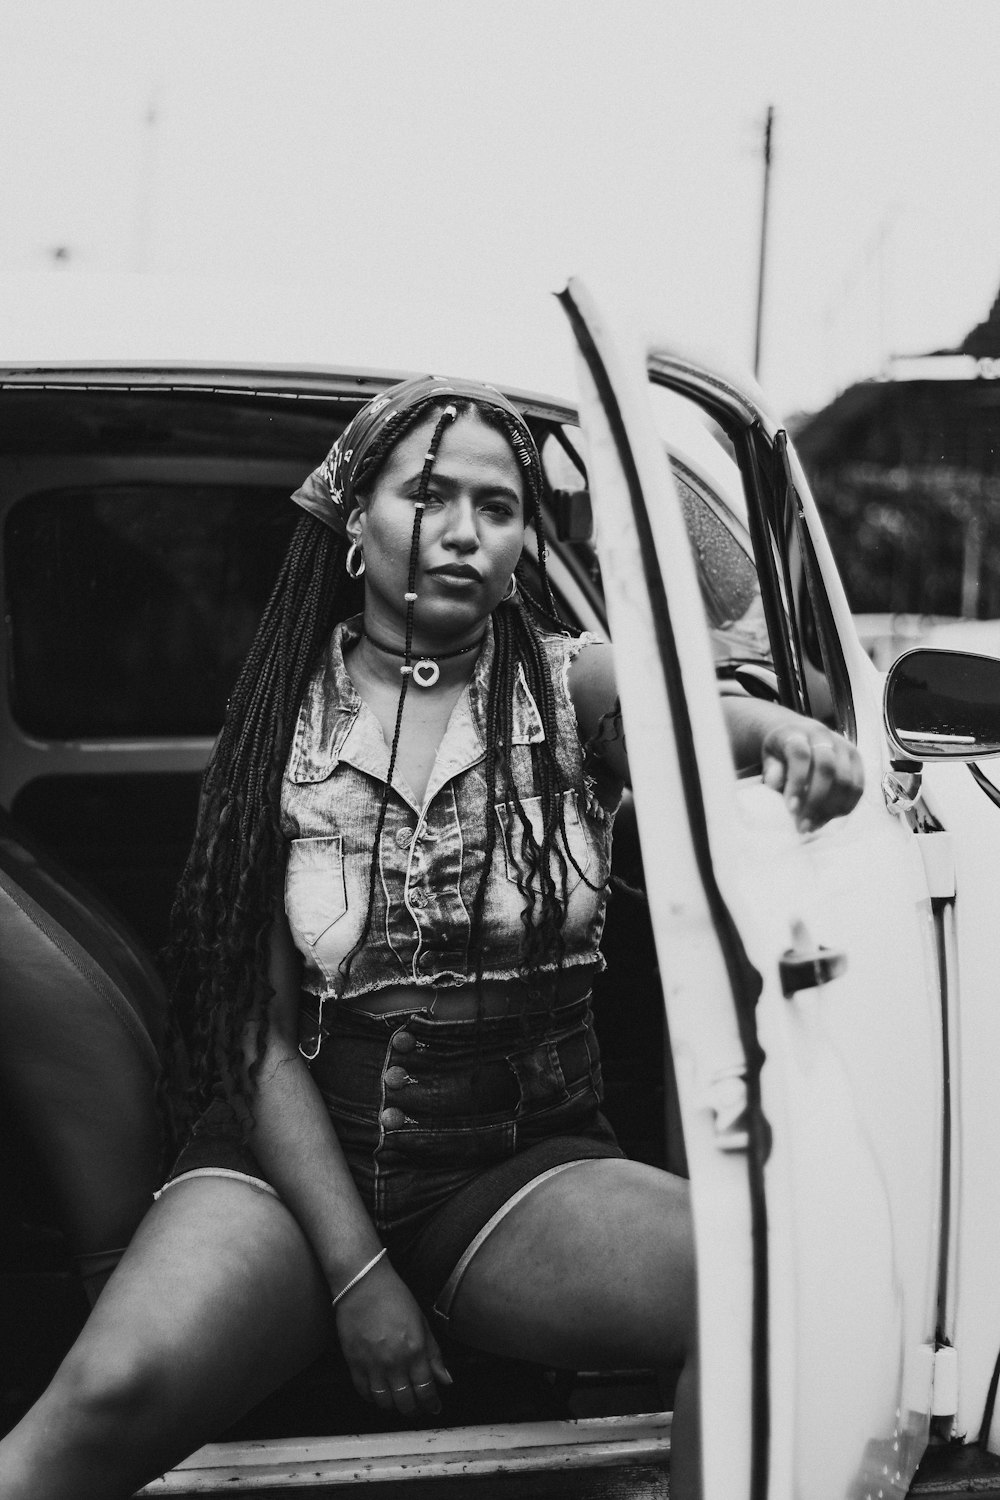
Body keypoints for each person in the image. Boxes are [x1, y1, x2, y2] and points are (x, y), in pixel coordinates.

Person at [0, 376, 863, 1500]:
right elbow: (252, 1033)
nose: (463, 532)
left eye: (496, 508)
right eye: (429, 497)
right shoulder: (276, 724)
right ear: (357, 521)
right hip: (292, 1153)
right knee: (100, 1403)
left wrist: (792, 738)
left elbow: (701, 720)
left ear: (521, 540)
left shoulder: (567, 689)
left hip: (509, 1163)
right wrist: (359, 1278)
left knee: (767, 1288)